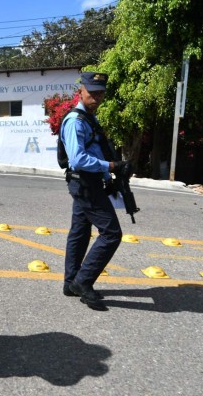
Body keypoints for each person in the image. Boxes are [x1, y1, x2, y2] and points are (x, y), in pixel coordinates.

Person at [60, 72, 130, 311]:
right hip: (83, 182)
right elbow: (78, 159)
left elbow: (96, 152)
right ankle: (83, 281)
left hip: (91, 181)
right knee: (111, 233)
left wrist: (107, 177)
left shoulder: (90, 119)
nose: (97, 97)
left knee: (79, 232)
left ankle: (71, 283)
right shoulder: (76, 121)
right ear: (81, 91)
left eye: (100, 93)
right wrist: (110, 167)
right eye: (92, 92)